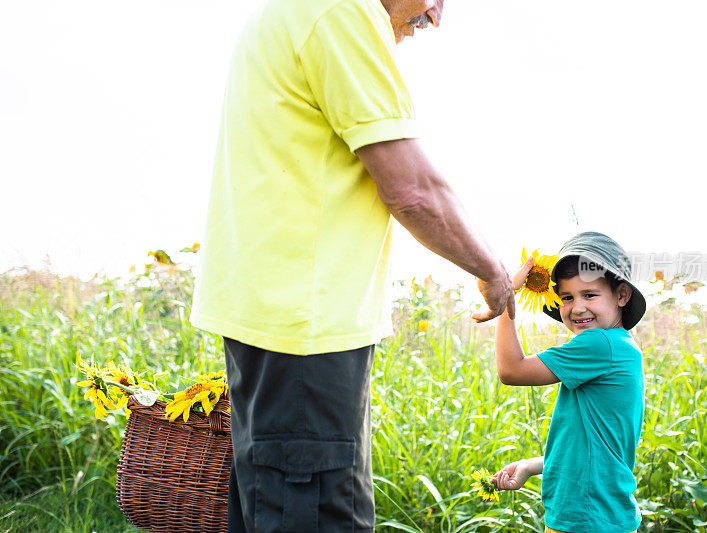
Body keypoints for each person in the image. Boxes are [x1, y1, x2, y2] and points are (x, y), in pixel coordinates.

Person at [189, 0, 515, 530]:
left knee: (273, 509)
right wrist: (493, 274)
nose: (437, 16)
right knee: (316, 515)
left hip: (278, 318)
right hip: (306, 331)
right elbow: (414, 191)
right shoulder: (341, 10)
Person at [490, 232, 647, 533]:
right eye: (566, 297)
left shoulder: (601, 344)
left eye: (589, 295)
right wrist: (533, 465)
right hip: (596, 516)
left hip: (586, 519)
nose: (576, 308)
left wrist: (505, 296)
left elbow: (511, 370)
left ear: (622, 295)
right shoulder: (619, 346)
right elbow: (597, 447)